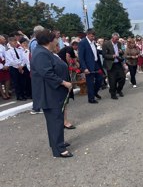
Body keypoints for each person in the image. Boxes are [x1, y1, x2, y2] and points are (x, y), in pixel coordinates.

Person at [31, 29, 73, 158]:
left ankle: (57, 142)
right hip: (49, 92)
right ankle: (59, 150)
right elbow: (47, 73)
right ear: (49, 40)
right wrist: (64, 83)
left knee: (56, 119)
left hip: (53, 92)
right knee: (55, 120)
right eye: (55, 38)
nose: (57, 41)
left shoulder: (45, 52)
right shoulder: (41, 54)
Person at [78, 29, 103, 104]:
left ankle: (94, 92)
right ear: (88, 34)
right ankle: (91, 98)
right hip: (88, 66)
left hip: (96, 64)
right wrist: (84, 68)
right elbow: (81, 57)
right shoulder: (82, 43)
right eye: (92, 36)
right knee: (90, 83)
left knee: (100, 79)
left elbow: (94, 52)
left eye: (94, 36)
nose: (93, 37)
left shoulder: (93, 42)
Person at [102, 32, 126, 100]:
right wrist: (112, 56)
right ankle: (113, 93)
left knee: (122, 78)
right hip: (110, 64)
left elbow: (121, 53)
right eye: (116, 39)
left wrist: (121, 52)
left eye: (118, 39)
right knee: (112, 80)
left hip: (118, 63)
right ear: (112, 38)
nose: (117, 40)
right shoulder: (106, 44)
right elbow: (104, 55)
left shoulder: (118, 43)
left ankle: (119, 90)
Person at [0, 35, 11, 100]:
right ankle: (3, 94)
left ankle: (6, 92)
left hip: (4, 65)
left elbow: (6, 56)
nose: (5, 40)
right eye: (3, 39)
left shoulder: (2, 47)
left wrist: (6, 64)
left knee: (7, 79)